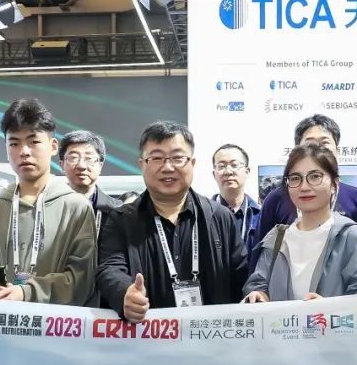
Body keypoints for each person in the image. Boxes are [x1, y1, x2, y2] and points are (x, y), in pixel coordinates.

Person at [97, 121, 248, 322]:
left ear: (192, 163)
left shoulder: (220, 217)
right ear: (142, 164)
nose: (167, 167)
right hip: (148, 335)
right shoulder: (121, 220)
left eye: (177, 158)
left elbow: (240, 275)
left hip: (210, 336)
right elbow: (110, 268)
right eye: (157, 158)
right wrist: (125, 293)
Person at [0, 99, 96, 305]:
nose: (24, 151)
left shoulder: (76, 208)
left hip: (55, 323)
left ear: (53, 146)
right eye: (14, 143)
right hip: (0, 320)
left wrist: (26, 292)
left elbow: (82, 279)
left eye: (33, 142)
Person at [243, 143, 357, 302]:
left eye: (315, 176)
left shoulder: (351, 236)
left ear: (335, 184)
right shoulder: (277, 237)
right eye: (295, 178)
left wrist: (330, 308)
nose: (304, 187)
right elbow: (258, 282)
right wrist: (259, 294)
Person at [255, 114, 357, 256]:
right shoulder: (276, 199)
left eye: (325, 142)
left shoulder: (356, 197)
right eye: (309, 143)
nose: (317, 148)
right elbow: (260, 252)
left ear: (337, 149)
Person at [59, 129, 121, 237]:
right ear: (62, 165)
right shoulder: (48, 207)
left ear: (100, 166)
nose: (81, 165)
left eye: (88, 158)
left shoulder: (117, 211)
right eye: (73, 158)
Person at [211, 143, 261, 251]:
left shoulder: (260, 215)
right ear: (214, 174)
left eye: (234, 165)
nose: (228, 172)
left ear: (247, 172)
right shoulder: (202, 215)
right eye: (221, 166)